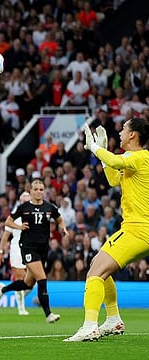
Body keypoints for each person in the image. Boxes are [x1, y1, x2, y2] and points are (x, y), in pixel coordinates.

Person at [65, 118, 149, 342]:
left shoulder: (140, 157)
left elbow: (114, 160)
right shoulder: (132, 161)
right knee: (99, 267)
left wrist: (96, 148)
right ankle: (113, 320)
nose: (120, 132)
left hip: (137, 229)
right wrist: (102, 157)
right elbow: (113, 179)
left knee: (94, 273)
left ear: (133, 135)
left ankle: (89, 325)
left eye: (123, 129)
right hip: (138, 230)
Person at [0, 178, 68, 323]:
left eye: (41, 189)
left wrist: (62, 228)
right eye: (36, 189)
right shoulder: (24, 208)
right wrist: (19, 227)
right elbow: (8, 221)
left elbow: (59, 219)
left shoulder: (49, 207)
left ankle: (2, 290)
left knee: (27, 284)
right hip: (28, 248)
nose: (39, 192)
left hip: (42, 249)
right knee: (42, 279)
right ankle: (48, 314)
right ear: (31, 191)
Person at [0, 191, 32, 316]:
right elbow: (5, 236)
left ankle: (3, 289)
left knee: (30, 282)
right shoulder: (14, 216)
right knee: (20, 277)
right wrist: (0, 252)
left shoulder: (34, 215)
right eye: (24, 201)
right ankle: (21, 309)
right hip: (16, 248)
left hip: (30, 249)